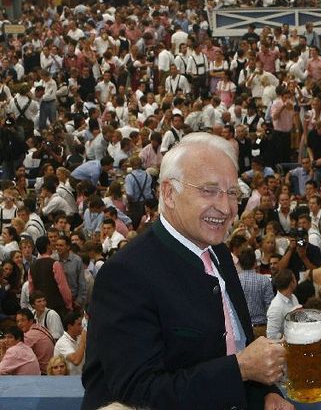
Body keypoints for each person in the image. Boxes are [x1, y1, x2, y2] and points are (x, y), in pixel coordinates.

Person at [82, 133, 291, 410]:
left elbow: (235, 344)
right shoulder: (125, 275)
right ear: (169, 193)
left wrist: (264, 393)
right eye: (209, 190)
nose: (226, 207)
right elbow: (139, 392)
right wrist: (239, 369)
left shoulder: (219, 253)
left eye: (232, 193)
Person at [15, 308, 54, 374]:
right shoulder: (40, 327)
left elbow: (17, 356)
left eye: (22, 320)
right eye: (17, 321)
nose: (19, 324)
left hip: (43, 374)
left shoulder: (30, 335)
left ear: (30, 321)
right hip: (50, 369)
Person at [54, 311, 87, 375]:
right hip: (66, 381)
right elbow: (76, 361)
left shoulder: (79, 337)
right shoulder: (62, 343)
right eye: (79, 324)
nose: (82, 327)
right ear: (69, 326)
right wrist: (83, 340)